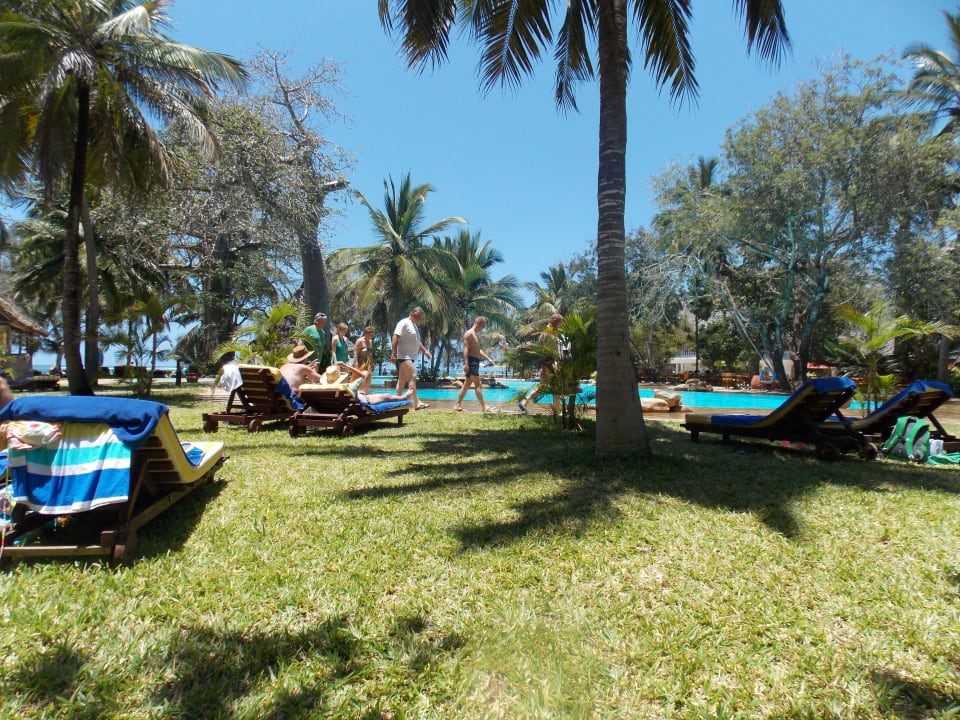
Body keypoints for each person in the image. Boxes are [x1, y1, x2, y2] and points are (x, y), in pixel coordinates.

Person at [518, 313, 565, 415]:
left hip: (549, 363)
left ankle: (524, 402)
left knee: (542, 387)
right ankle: (557, 410)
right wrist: (543, 367)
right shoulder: (546, 332)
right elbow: (541, 351)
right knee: (556, 387)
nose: (560, 325)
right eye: (559, 323)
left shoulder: (551, 332)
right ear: (554, 321)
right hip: (549, 363)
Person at [391, 306, 432, 410]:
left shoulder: (414, 326)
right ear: (413, 314)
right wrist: (393, 353)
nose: (420, 320)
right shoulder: (404, 322)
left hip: (410, 357)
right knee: (413, 376)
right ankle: (416, 403)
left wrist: (425, 351)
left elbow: (417, 341)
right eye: (419, 317)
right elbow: (395, 336)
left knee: (401, 380)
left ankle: (397, 401)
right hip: (404, 356)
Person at [454, 316, 495, 412]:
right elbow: (465, 349)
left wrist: (488, 359)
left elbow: (478, 350)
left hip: (475, 361)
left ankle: (457, 405)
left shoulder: (475, 335)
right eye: (483, 326)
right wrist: (466, 364)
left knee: (467, 384)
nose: (483, 328)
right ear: (479, 324)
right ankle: (484, 407)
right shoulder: (469, 334)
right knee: (478, 384)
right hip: (471, 361)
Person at [336, 362, 412, 404]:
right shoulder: (366, 373)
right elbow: (363, 375)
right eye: (372, 365)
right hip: (362, 399)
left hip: (356, 398)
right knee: (387, 396)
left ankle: (403, 397)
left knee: (384, 396)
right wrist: (345, 366)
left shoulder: (336, 386)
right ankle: (404, 397)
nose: (373, 366)